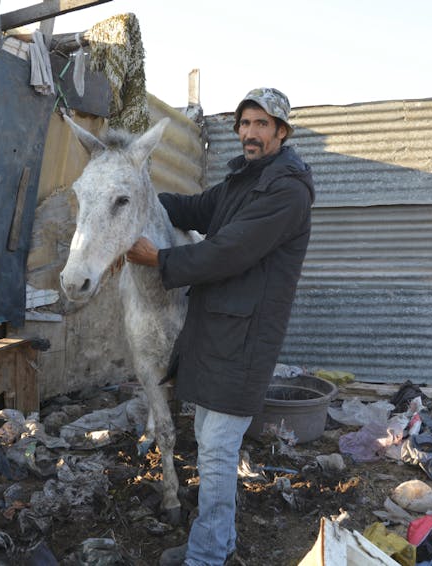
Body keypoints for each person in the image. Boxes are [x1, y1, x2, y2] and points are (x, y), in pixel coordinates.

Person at [126, 87, 314, 566]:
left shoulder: (286, 190)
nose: (250, 133)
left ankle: (205, 557)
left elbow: (228, 250)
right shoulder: (243, 181)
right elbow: (192, 210)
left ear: (281, 132)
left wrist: (159, 258)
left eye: (261, 125)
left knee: (214, 452)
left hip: (245, 339)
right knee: (211, 439)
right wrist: (132, 192)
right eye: (244, 124)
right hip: (217, 332)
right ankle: (218, 544)